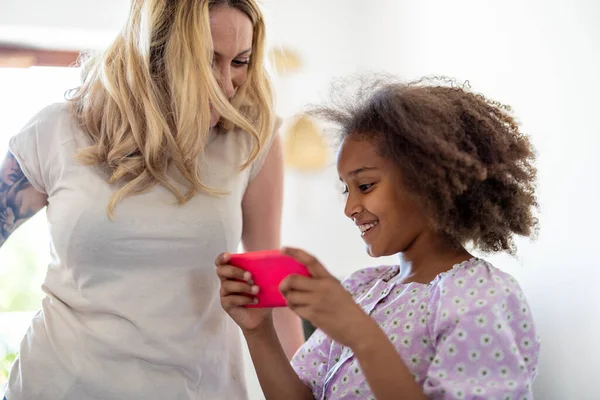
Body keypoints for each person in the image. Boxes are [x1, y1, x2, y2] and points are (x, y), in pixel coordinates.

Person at [0, 0, 304, 399]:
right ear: (154, 54)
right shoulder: (58, 130)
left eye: (240, 62)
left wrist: (305, 387)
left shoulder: (251, 141)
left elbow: (271, 291)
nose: (228, 85)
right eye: (208, 61)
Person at [217, 76, 541, 399]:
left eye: (365, 186)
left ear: (428, 181)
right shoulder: (362, 289)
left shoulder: (480, 295)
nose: (350, 208)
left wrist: (360, 334)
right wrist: (259, 331)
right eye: (347, 188)